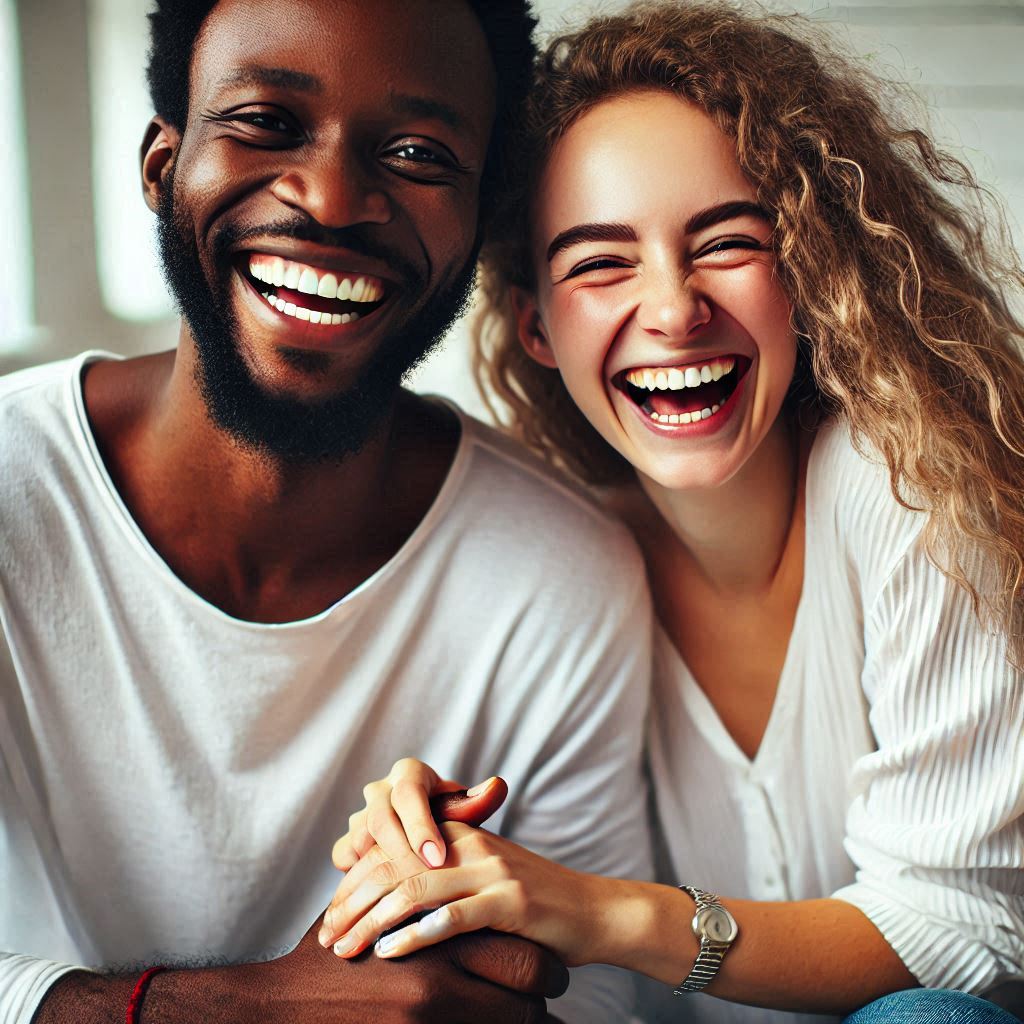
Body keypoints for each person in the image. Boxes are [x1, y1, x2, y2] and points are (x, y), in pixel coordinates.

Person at [316, 3, 1024, 1022]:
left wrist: (606, 914)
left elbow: (961, 930)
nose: (674, 307)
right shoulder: (555, 563)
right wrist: (426, 839)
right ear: (538, 330)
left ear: (810, 276)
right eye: (601, 261)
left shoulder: (905, 485)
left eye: (726, 241)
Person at [0, 1, 658, 1022]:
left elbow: (597, 1001)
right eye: (265, 120)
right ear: (162, 166)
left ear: (477, 224)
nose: (332, 198)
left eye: (416, 151)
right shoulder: (12, 489)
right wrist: (247, 1008)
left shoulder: (560, 573)